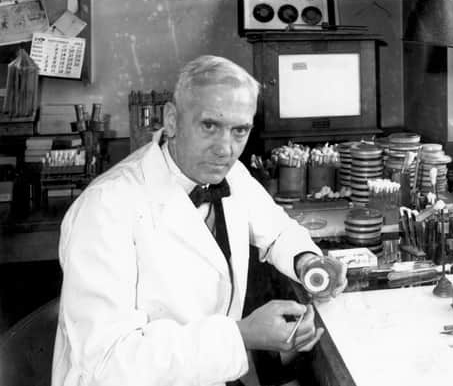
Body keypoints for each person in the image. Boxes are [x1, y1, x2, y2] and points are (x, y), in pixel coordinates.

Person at [52, 55, 347, 386]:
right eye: (210, 126)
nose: (225, 148)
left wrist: (307, 262)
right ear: (172, 119)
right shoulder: (105, 208)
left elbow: (278, 232)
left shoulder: (230, 174)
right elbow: (106, 366)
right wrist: (240, 336)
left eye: (239, 131)